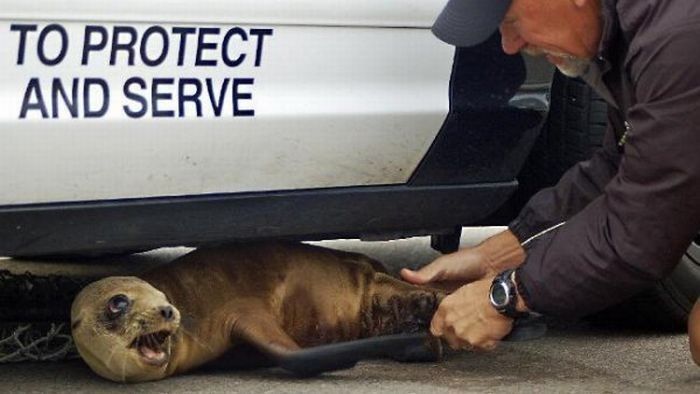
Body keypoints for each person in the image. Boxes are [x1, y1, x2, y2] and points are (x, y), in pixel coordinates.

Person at [400, 0, 700, 356]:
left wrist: (508, 295)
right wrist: (498, 255)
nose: (510, 45)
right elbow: (620, 167)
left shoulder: (679, 37)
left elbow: (643, 228)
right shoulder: (637, 29)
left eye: (511, 20)